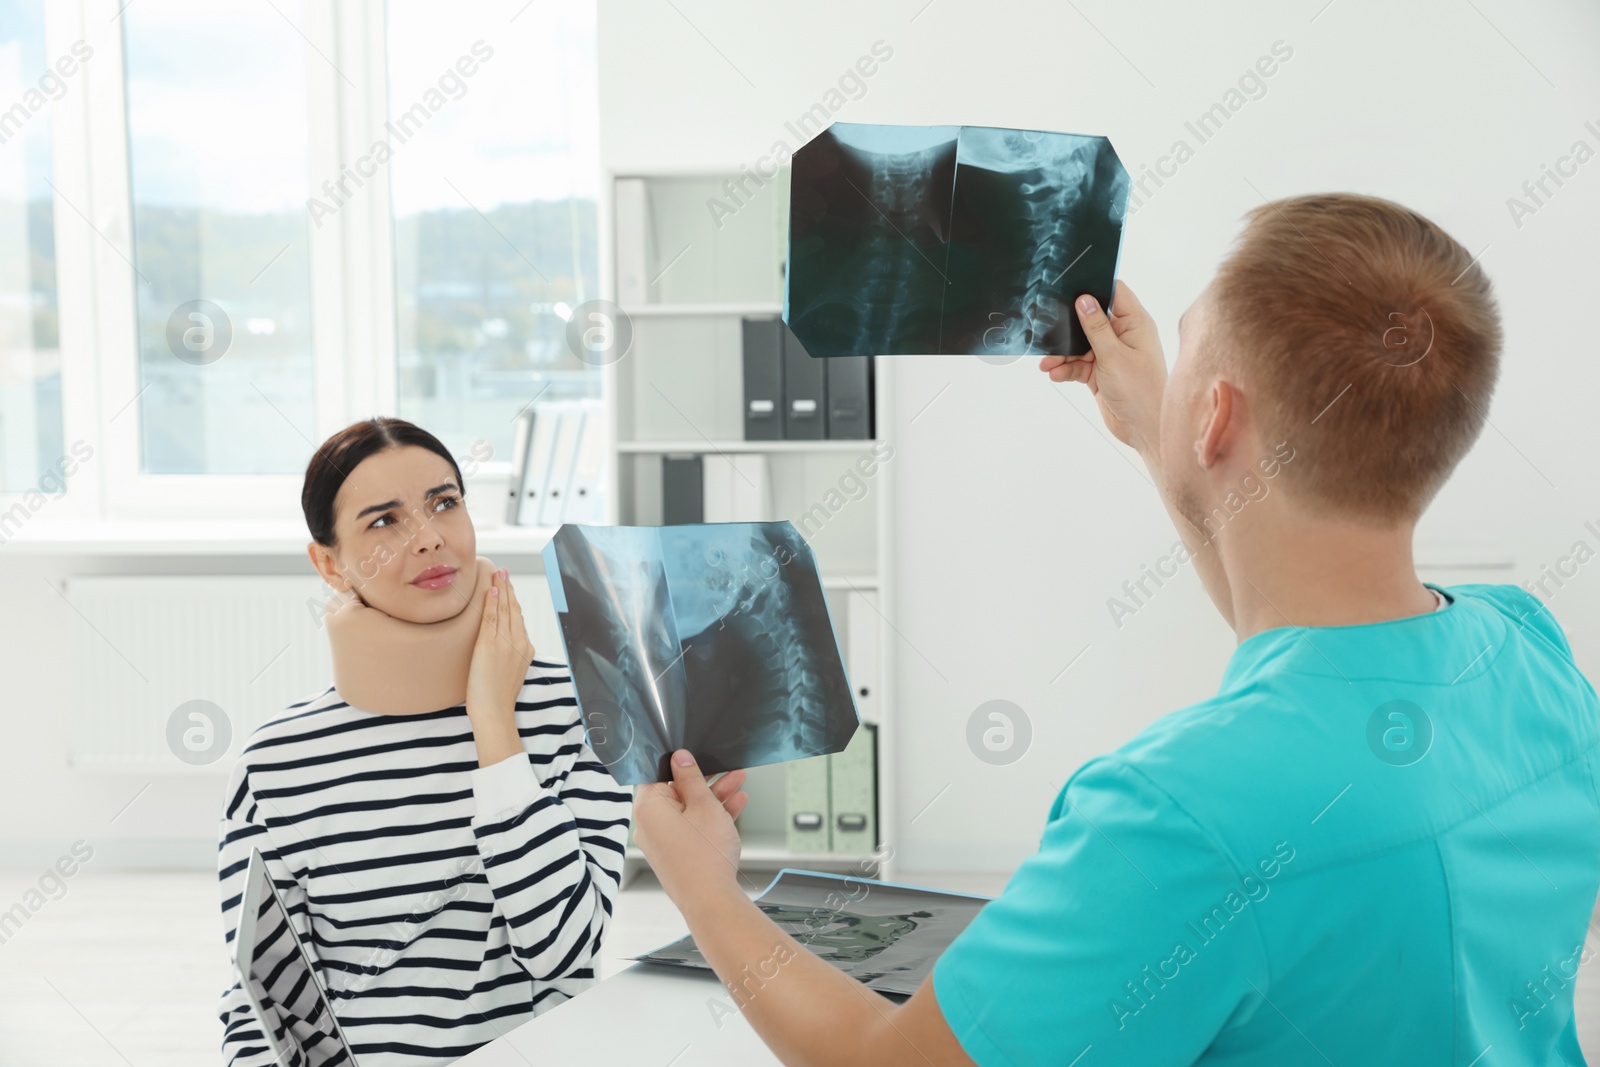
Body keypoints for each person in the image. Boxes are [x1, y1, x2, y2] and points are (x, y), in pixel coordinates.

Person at [632, 193, 1600, 1065]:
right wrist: (1157, 431)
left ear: (1217, 416)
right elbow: (1311, 651)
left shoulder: (1177, 813)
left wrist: (704, 888)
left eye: (1190, 359)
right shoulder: (1530, 653)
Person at [216, 418, 631, 1066]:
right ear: (328, 562)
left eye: (444, 503)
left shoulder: (579, 715)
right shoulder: (277, 763)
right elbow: (261, 1001)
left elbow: (564, 948)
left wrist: (494, 722)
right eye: (384, 521)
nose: (430, 538)